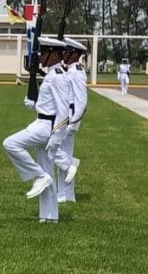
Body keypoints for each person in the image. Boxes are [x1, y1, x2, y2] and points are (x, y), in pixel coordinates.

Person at [2, 37, 70, 223]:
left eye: (44, 53)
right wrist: (35, 104)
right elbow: (50, 105)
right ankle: (49, 217)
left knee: (10, 144)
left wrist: (57, 137)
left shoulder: (56, 77)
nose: (40, 56)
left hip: (46, 127)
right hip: (43, 122)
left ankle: (38, 175)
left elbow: (64, 110)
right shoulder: (52, 75)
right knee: (48, 169)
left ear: (54, 54)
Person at [54, 38, 87, 203]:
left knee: (55, 151)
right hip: (65, 115)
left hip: (70, 117)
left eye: (67, 51)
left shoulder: (76, 72)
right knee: (62, 154)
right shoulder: (71, 70)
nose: (64, 54)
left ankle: (66, 192)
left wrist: (74, 124)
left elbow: (81, 102)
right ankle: (65, 194)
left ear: (75, 54)